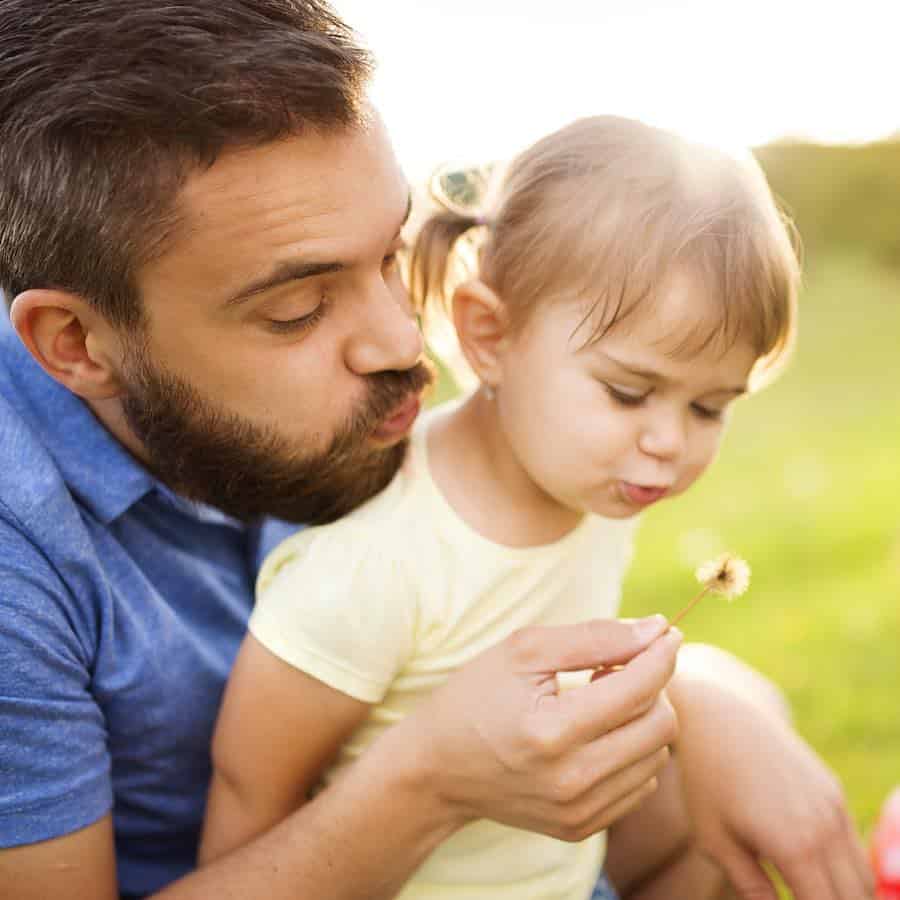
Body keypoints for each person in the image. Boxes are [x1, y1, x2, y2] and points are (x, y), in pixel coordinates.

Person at [0, 2, 872, 900]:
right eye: (297, 310)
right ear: (77, 343)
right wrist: (433, 779)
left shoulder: (407, 419)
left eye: (391, 255)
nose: (403, 344)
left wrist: (714, 702)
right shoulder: (16, 556)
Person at [194, 114, 870, 900]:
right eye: (628, 392)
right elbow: (250, 794)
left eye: (709, 407)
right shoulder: (373, 563)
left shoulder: (590, 483)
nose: (669, 443)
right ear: (489, 335)